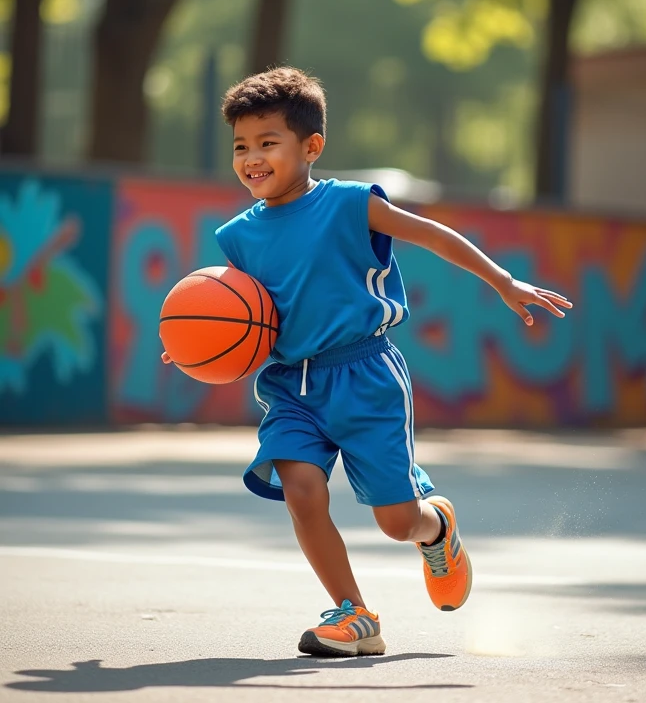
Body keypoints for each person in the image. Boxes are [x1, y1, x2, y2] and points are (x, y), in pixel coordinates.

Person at [166, 67, 572, 658]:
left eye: (267, 143)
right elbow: (239, 315)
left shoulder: (351, 205)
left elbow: (432, 235)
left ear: (312, 147)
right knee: (301, 489)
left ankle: (437, 530)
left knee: (396, 522)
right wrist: (193, 343)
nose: (251, 157)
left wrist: (503, 280)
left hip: (365, 375)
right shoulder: (238, 236)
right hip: (290, 386)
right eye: (241, 146)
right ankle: (355, 614)